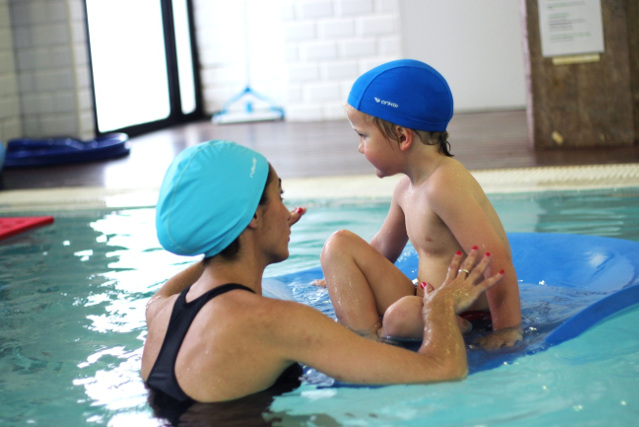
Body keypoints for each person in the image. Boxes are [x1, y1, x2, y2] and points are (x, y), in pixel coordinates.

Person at [141, 140, 504, 407]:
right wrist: (441, 304)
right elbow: (443, 370)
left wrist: (236, 234)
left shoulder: (161, 312)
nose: (287, 212)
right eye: (279, 199)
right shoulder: (278, 323)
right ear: (251, 217)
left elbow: (176, 284)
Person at [319, 59, 522, 349]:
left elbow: (495, 262)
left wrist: (507, 329)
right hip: (422, 300)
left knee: (400, 317)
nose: (359, 146)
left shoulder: (445, 185)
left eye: (363, 135)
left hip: (464, 312)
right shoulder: (406, 189)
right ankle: (365, 340)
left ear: (402, 137)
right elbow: (381, 251)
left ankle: (381, 342)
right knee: (337, 245)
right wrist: (341, 276)